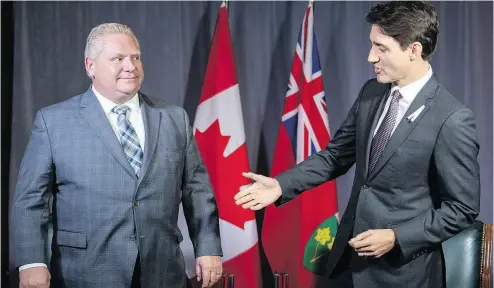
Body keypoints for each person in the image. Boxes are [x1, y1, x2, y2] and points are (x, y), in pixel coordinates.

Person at [234, 2, 480, 287]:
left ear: (414, 50)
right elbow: (336, 156)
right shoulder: (371, 92)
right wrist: (280, 185)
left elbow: (461, 209)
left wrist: (396, 237)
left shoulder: (452, 118)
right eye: (371, 45)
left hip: (403, 275)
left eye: (381, 48)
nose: (370, 57)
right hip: (347, 264)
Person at [11, 23, 223, 288]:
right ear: (90, 66)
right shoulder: (53, 122)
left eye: (135, 57)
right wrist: (32, 262)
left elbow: (197, 189)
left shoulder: (173, 118)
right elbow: (31, 200)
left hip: (162, 271)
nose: (130, 66)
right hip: (86, 273)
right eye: (118, 59)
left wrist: (208, 247)